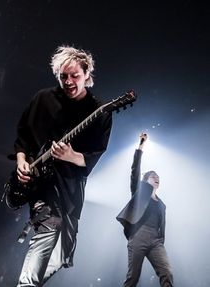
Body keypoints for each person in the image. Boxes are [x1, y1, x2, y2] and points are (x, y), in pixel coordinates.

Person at [12, 45, 112, 286]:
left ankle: (30, 283)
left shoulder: (100, 112)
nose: (68, 81)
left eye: (74, 75)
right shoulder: (43, 98)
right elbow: (23, 135)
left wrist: (71, 155)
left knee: (63, 254)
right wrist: (22, 162)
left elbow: (96, 154)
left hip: (70, 188)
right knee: (48, 227)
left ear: (87, 75)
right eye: (63, 76)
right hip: (41, 183)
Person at [116, 133, 174, 287]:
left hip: (156, 240)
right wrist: (141, 145)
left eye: (158, 176)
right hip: (138, 235)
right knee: (133, 278)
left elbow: (162, 224)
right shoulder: (139, 191)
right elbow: (135, 169)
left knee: (167, 272)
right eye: (153, 175)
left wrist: (160, 239)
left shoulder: (162, 204)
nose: (157, 177)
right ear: (146, 180)